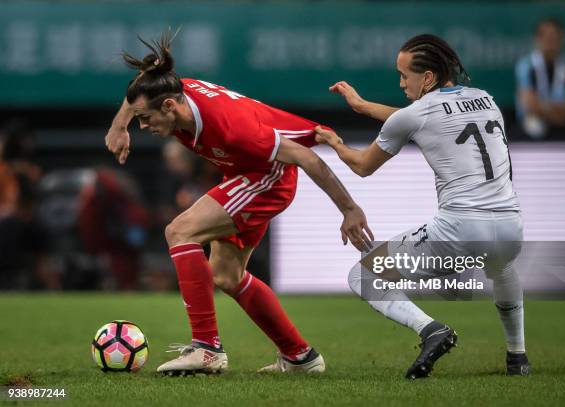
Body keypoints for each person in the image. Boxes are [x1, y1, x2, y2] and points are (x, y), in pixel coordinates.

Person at [104, 32, 373, 375]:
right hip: (243, 175)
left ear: (170, 106)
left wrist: (349, 209)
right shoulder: (168, 90)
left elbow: (306, 158)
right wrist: (118, 124)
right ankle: (300, 358)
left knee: (179, 231)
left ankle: (206, 348)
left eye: (145, 118)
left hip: (268, 179)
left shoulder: (232, 128)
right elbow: (143, 86)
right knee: (227, 275)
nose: (142, 125)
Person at [315, 34, 529, 378]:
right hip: (510, 226)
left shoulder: (416, 114)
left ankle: (432, 330)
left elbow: (362, 165)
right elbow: (423, 119)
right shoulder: (485, 99)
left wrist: (335, 143)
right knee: (502, 266)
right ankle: (517, 357)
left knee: (365, 274)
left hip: (460, 229)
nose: (400, 83)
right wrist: (363, 105)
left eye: (404, 75)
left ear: (427, 77)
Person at [515, 18, 565, 140]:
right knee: (534, 127)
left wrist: (546, 109)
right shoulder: (526, 66)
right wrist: (563, 112)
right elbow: (529, 105)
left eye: (554, 37)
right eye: (546, 37)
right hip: (534, 128)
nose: (550, 41)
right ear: (537, 39)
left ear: (561, 39)